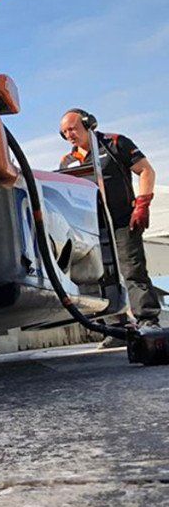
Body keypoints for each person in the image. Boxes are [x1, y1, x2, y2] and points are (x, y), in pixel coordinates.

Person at [58, 108, 159, 347]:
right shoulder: (68, 161)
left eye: (72, 128)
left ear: (88, 123)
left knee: (132, 271)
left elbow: (145, 170)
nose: (69, 135)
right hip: (93, 228)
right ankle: (116, 328)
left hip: (124, 220)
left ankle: (147, 321)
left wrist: (142, 204)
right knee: (100, 277)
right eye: (64, 132)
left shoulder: (115, 143)